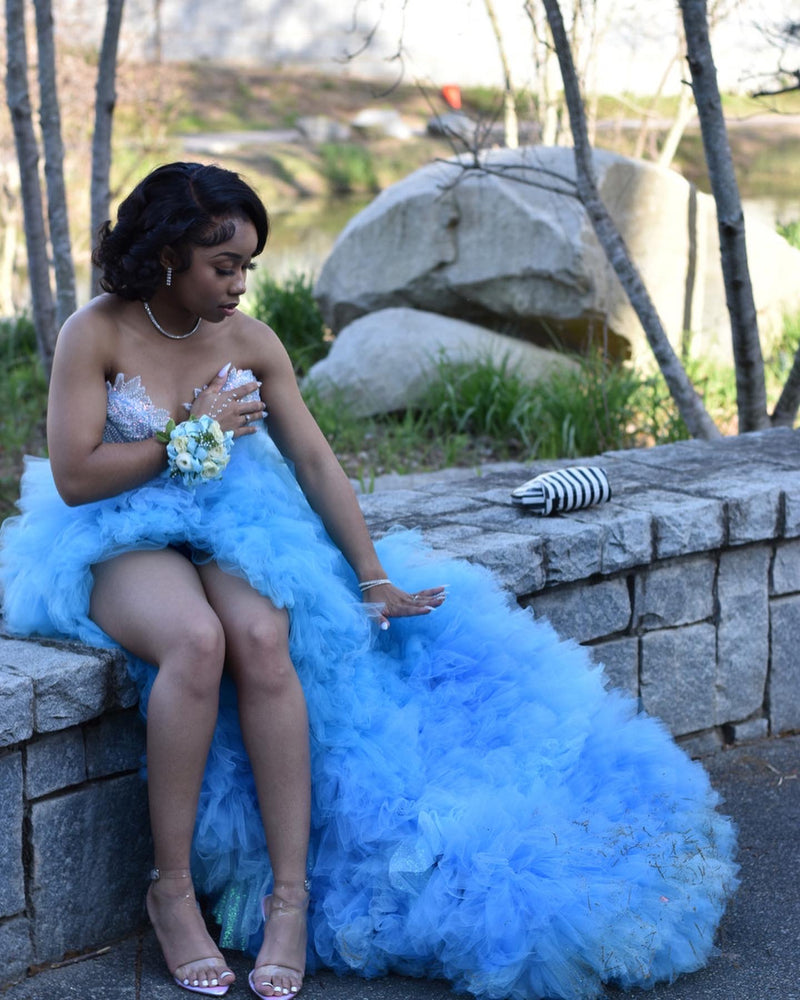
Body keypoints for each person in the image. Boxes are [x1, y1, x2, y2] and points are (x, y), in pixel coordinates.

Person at [0, 162, 737, 1000]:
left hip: (234, 516)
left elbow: (315, 461)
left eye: (248, 266)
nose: (240, 285)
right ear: (167, 255)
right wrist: (187, 429)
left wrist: (372, 574)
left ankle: (289, 899)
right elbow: (77, 476)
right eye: (223, 266)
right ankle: (170, 892)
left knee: (265, 635)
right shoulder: (95, 332)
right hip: (115, 526)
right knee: (196, 641)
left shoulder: (250, 341)